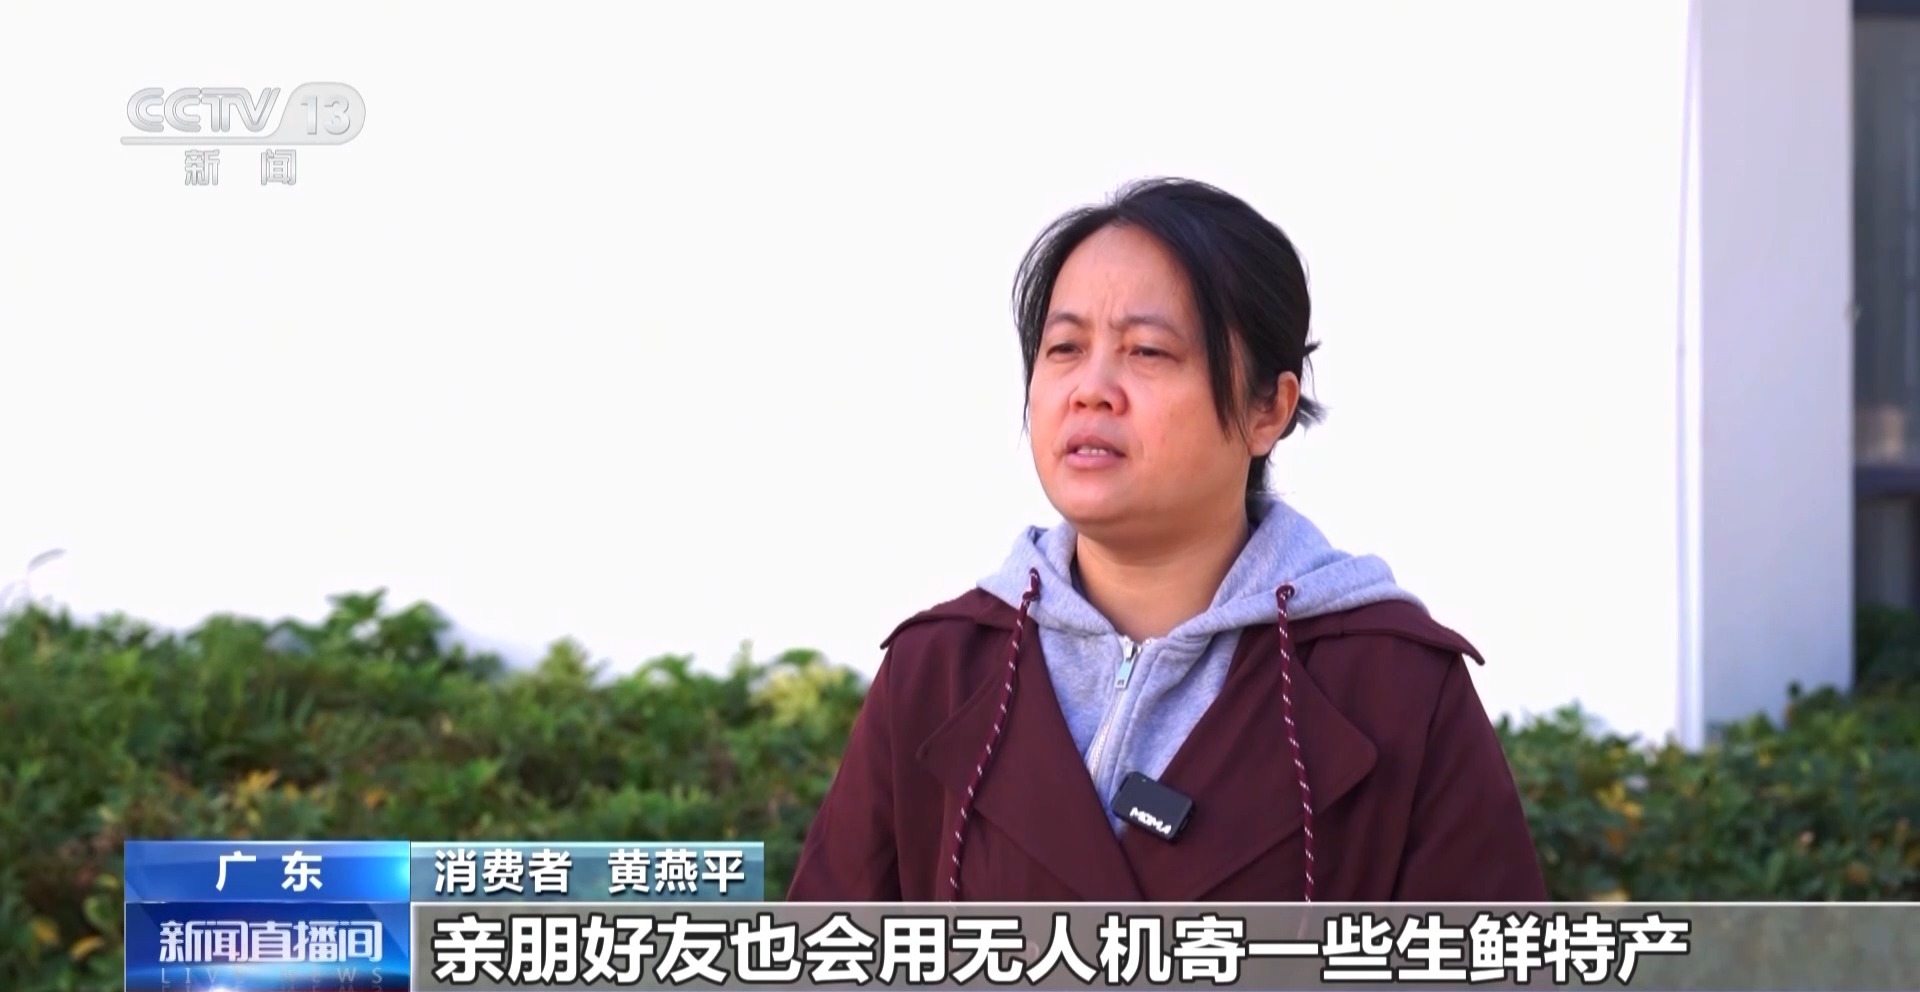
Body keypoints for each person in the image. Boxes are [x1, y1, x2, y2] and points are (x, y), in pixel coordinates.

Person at [788, 178, 1548, 902]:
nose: (1091, 389)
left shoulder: (1391, 684)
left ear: (1268, 409)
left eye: (1147, 351)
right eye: (1064, 349)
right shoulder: (941, 671)